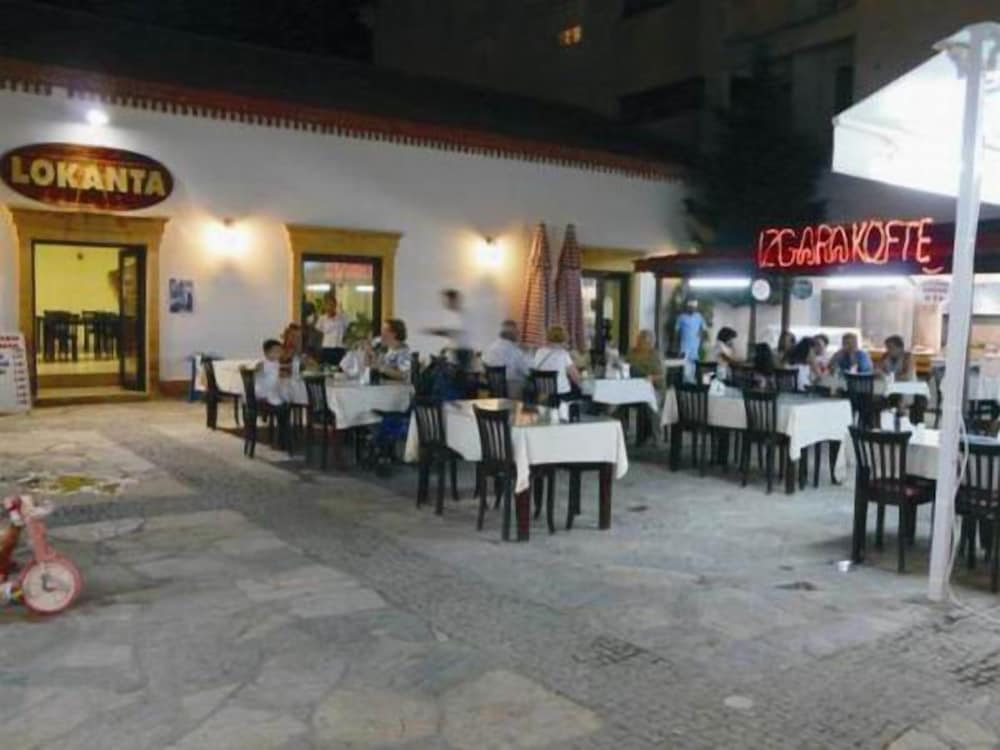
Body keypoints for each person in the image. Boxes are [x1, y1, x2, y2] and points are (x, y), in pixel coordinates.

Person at [482, 320, 531, 394]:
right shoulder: (514, 350)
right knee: (532, 386)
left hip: (493, 387)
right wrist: (527, 353)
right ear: (511, 335)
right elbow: (527, 371)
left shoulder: (490, 347)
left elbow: (484, 362)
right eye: (517, 332)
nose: (519, 335)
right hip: (511, 388)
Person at [532, 325, 581, 396]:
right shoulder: (563, 354)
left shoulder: (539, 352)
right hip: (561, 394)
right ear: (564, 339)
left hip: (542, 393)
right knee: (580, 392)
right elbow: (576, 377)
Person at [370, 318, 412, 383]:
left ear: (394, 333)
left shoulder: (404, 352)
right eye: (382, 330)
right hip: (378, 383)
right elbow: (370, 363)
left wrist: (381, 368)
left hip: (394, 386)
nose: (381, 333)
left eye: (385, 330)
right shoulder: (380, 344)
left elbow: (403, 375)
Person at [674, 299, 706, 381]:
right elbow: (676, 331)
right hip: (684, 345)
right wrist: (676, 345)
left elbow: (703, 329)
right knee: (684, 364)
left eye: (694, 308)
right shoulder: (681, 317)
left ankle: (691, 382)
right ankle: (685, 382)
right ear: (687, 307)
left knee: (693, 364)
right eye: (691, 307)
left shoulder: (699, 316)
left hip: (695, 345)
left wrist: (700, 341)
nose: (693, 309)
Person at [316, 296, 349, 367]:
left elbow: (347, 329)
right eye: (328, 305)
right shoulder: (322, 319)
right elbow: (319, 332)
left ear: (335, 305)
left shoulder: (342, 317)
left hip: (339, 348)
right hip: (327, 347)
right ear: (325, 306)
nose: (330, 307)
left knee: (340, 368)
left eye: (332, 305)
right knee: (327, 368)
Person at [255, 338, 288, 405]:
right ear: (266, 353)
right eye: (275, 351)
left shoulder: (276, 362)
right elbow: (258, 369)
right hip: (264, 393)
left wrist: (282, 374)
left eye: (279, 351)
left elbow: (275, 372)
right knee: (283, 401)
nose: (278, 354)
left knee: (286, 398)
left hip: (273, 391)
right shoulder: (263, 364)